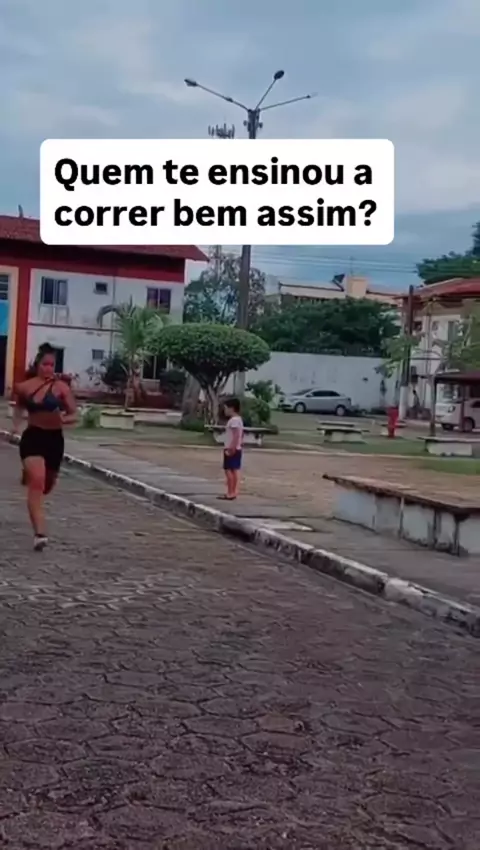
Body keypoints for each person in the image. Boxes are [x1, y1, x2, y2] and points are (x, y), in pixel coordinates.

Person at [11, 343, 77, 550]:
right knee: (37, 483)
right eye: (45, 364)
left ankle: (29, 473)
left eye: (52, 365)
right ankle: (40, 533)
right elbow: (18, 409)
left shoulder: (61, 388)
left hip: (54, 440)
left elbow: (74, 414)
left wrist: (63, 419)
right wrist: (16, 426)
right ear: (37, 364)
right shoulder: (25, 387)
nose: (48, 368)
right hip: (33, 437)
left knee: (47, 485)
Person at [219, 397, 244, 501]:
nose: (225, 411)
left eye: (226, 408)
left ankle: (230, 492)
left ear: (231, 408)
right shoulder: (239, 420)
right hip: (237, 448)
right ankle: (233, 491)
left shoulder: (233, 421)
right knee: (234, 470)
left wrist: (232, 448)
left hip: (231, 448)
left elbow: (236, 435)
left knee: (229, 470)